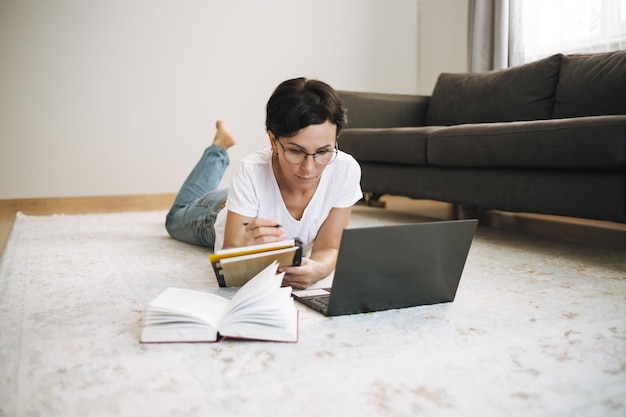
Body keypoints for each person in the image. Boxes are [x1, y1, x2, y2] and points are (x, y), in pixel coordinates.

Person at [165, 77, 363, 289]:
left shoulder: (345, 169)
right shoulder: (251, 170)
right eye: (296, 151)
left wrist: (318, 269)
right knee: (175, 218)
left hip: (250, 199)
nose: (309, 169)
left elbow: (329, 247)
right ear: (272, 141)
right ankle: (219, 147)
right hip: (217, 211)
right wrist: (247, 250)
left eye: (323, 151)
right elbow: (229, 259)